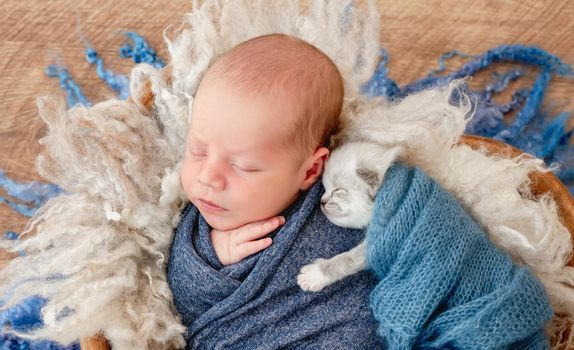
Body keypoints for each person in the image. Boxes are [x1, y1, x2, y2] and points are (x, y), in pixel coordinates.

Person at [167, 33, 384, 348]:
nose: (208, 177)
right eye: (198, 150)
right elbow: (181, 298)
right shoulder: (204, 223)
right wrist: (214, 253)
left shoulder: (340, 207)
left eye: (242, 166)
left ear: (310, 170)